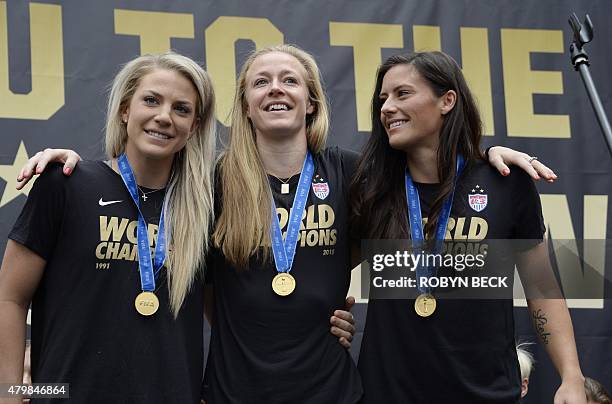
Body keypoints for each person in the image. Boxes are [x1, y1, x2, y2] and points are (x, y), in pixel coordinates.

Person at [13, 45, 557, 403]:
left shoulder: (354, 173)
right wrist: (15, 387)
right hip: (226, 390)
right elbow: (209, 285)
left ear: (311, 100)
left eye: (290, 80)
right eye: (260, 82)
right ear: (243, 107)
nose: (276, 89)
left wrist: (487, 156)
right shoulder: (208, 185)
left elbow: (430, 162)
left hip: (332, 390)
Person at [351, 51, 586, 403]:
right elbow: (323, 264)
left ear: (447, 100)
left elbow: (541, 286)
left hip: (484, 393)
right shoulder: (371, 188)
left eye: (402, 94)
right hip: (388, 393)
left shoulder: (505, 182)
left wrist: (571, 376)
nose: (386, 107)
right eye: (382, 98)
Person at [0, 52, 217, 402]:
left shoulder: (205, 211)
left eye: (182, 109)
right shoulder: (66, 183)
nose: (164, 117)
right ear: (124, 110)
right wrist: (8, 395)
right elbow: (10, 298)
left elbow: (234, 316)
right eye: (151, 100)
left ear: (194, 127)